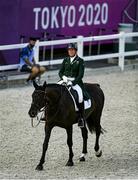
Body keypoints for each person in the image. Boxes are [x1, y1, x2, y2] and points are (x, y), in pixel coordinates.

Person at [58, 43, 86, 128]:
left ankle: (81, 118)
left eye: (72, 50)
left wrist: (73, 82)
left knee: (80, 96)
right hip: (64, 80)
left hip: (75, 81)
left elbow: (80, 75)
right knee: (54, 91)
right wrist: (63, 77)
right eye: (69, 50)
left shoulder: (80, 61)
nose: (70, 51)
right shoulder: (65, 60)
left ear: (75, 51)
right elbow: (60, 72)